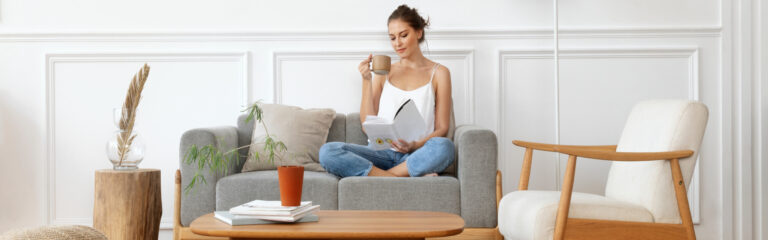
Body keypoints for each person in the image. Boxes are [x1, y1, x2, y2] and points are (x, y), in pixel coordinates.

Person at [319, 4, 454, 177]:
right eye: (392, 38)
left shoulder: (440, 73)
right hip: (380, 153)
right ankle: (401, 178)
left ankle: (381, 177)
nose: (397, 43)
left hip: (416, 154)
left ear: (419, 32)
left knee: (445, 147)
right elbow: (367, 124)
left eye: (404, 35)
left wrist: (414, 145)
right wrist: (367, 80)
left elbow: (442, 128)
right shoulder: (385, 71)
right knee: (328, 151)